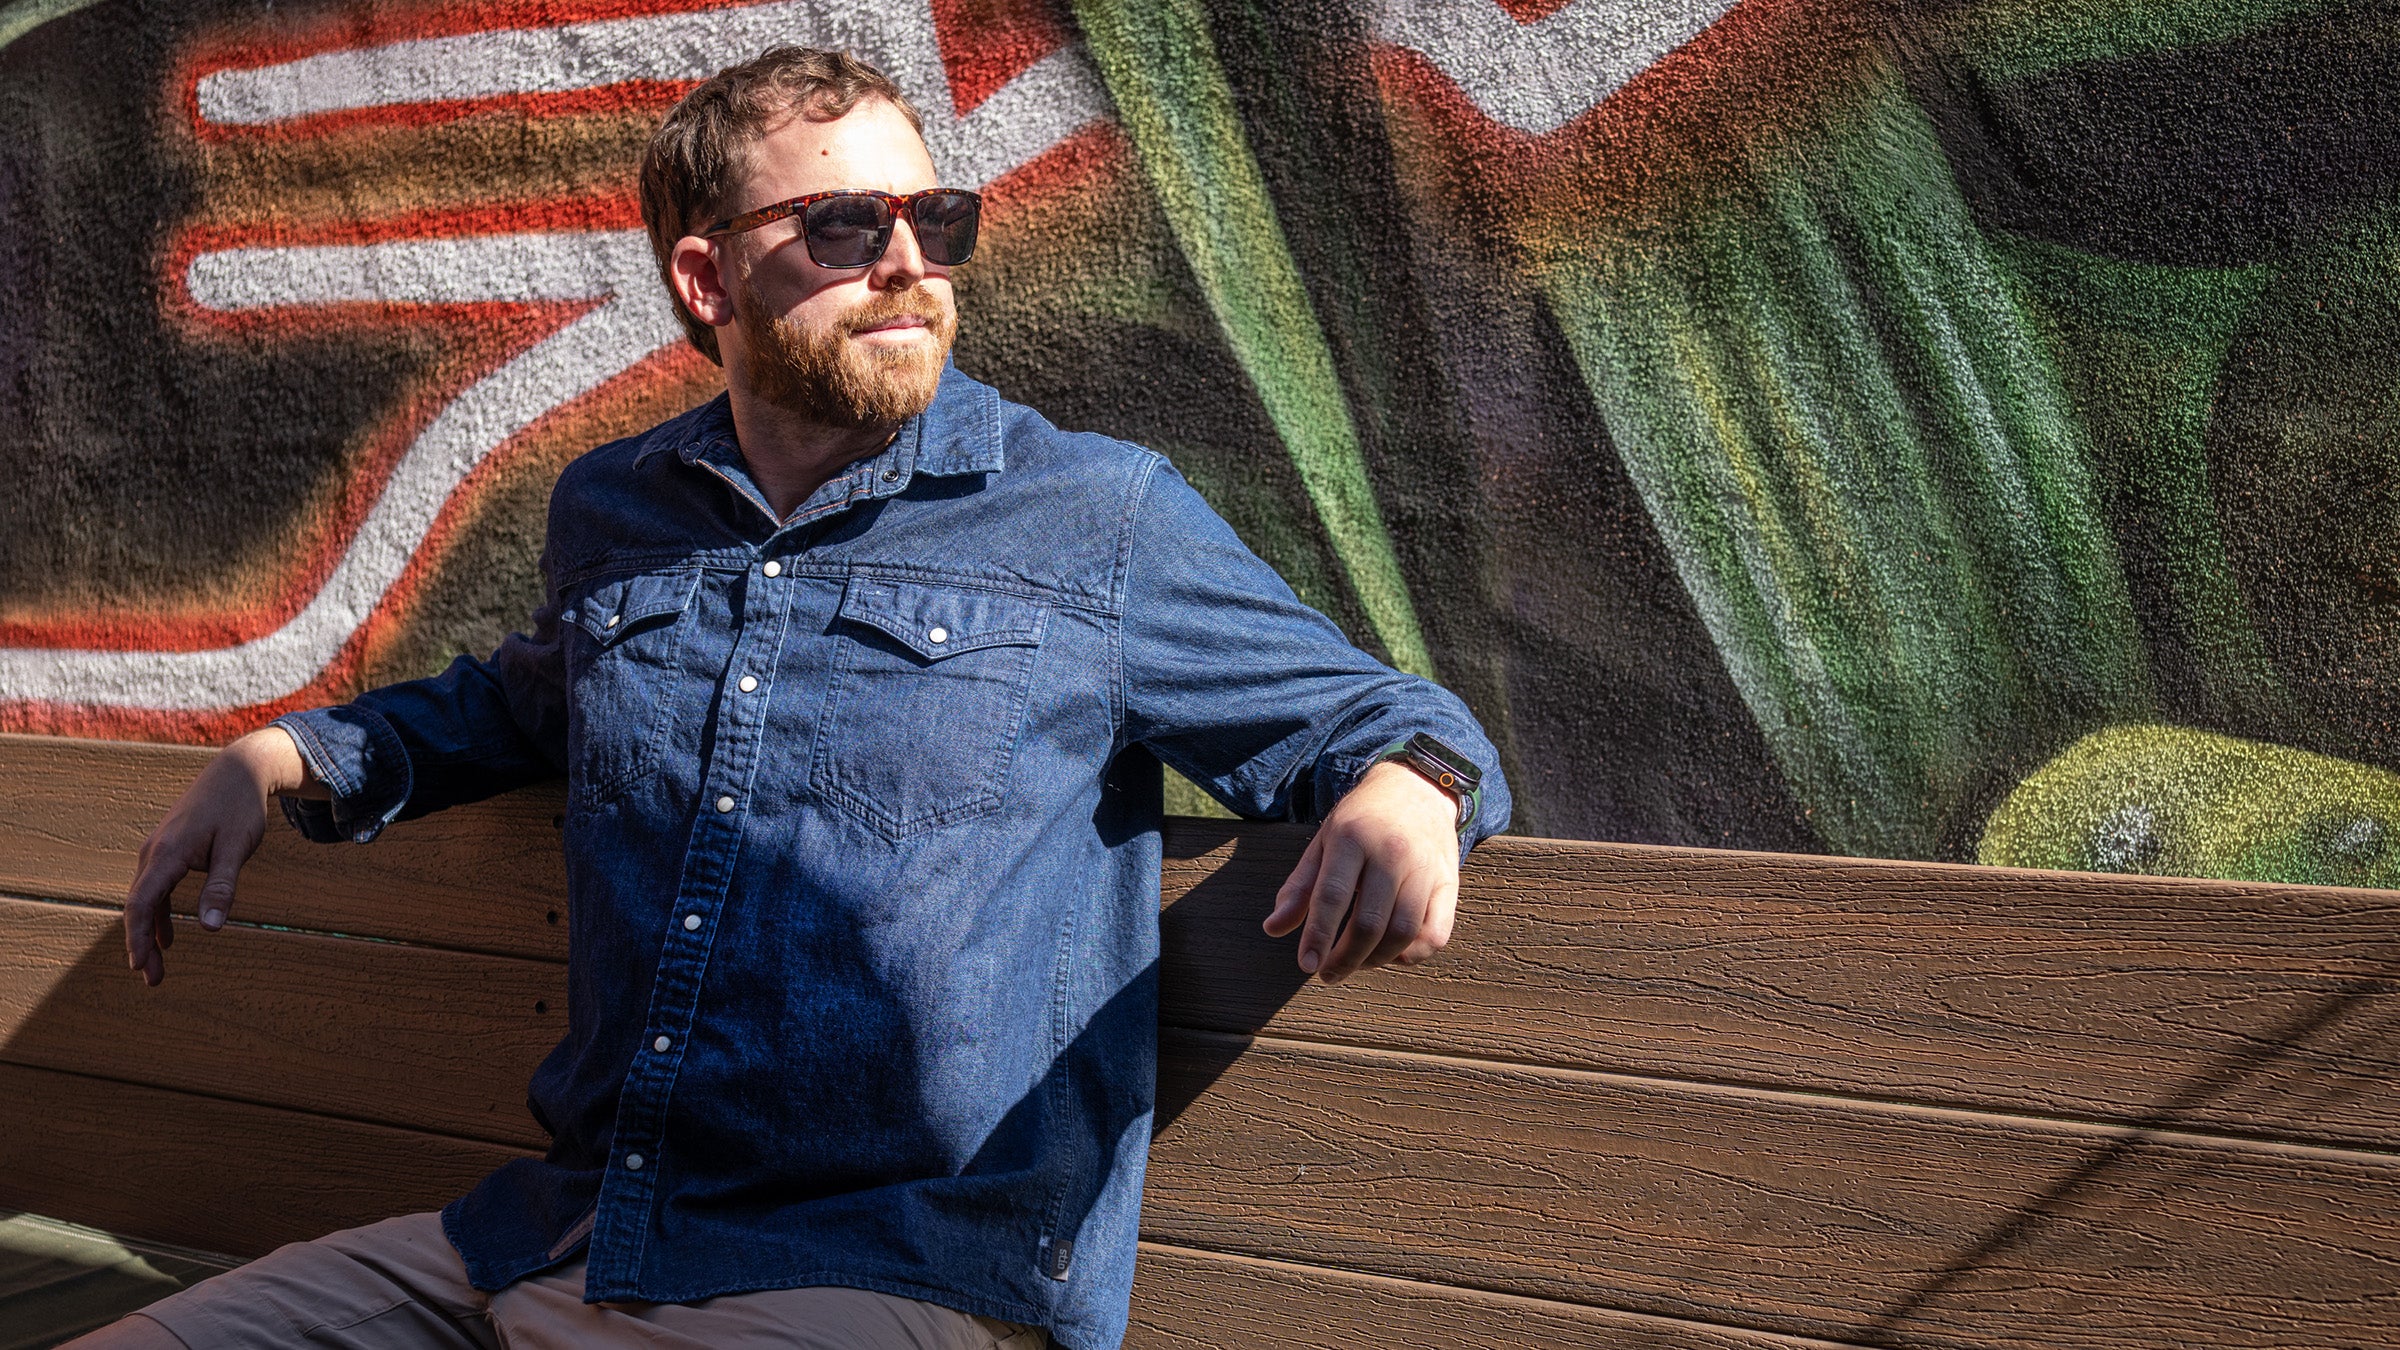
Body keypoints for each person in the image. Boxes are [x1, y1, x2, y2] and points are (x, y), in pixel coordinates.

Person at [81, 46, 1508, 1350]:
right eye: (844, 227)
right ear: (707, 280)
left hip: (887, 1270)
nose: (909, 264)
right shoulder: (619, 508)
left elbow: (1385, 722)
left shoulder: (1093, 515)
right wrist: (284, 754)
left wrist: (1415, 786)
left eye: (936, 221)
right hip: (568, 1228)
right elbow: (525, 702)